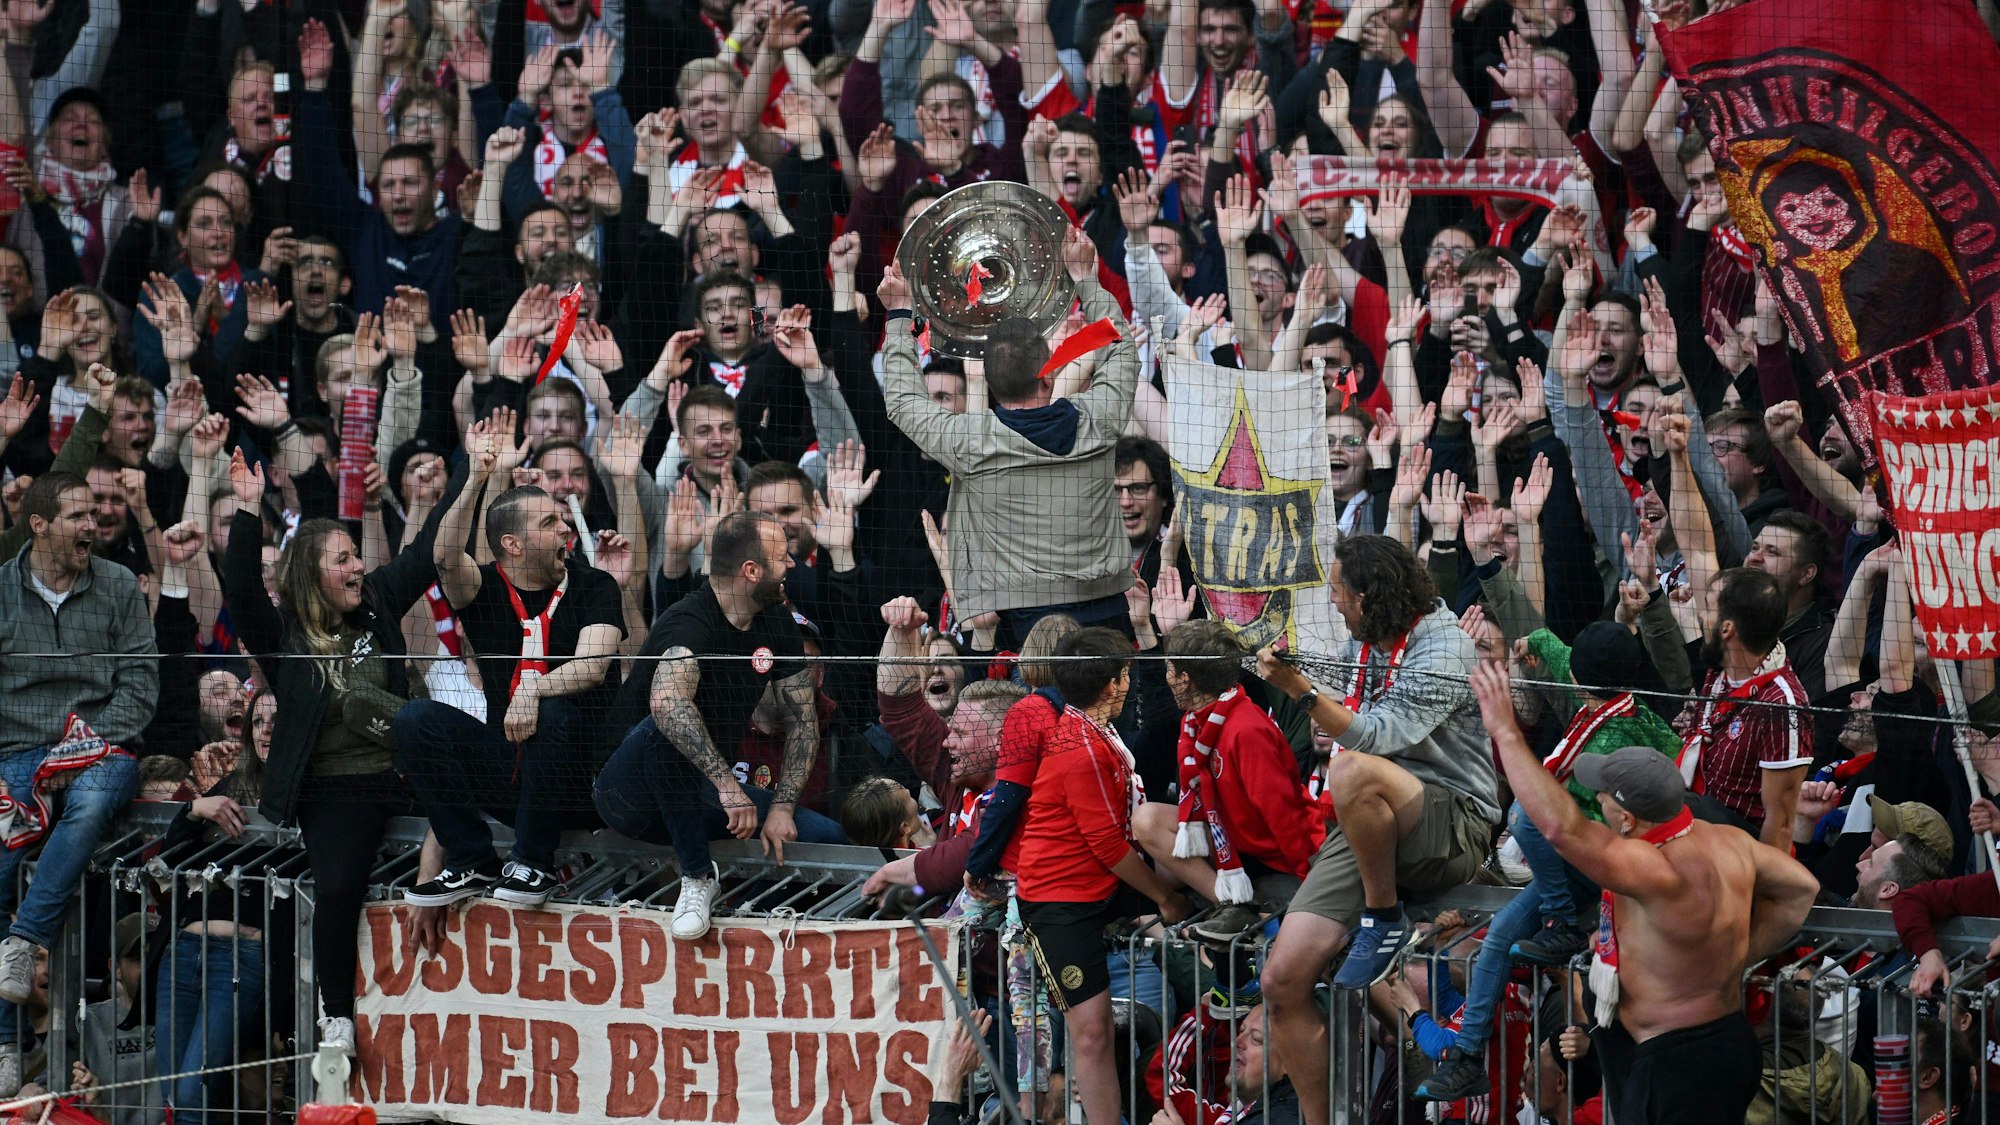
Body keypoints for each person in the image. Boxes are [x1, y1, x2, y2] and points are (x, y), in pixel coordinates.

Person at [1470, 662, 1819, 1125]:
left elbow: (1560, 828)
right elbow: (1802, 888)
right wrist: (1736, 956)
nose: (1597, 802)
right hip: (1721, 1046)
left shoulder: (1654, 867)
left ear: (1628, 817)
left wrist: (1505, 733)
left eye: (1604, 797)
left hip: (1680, 1066)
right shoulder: (1728, 841)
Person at [1252, 534, 1498, 1125]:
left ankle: (1383, 919)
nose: (1333, 602)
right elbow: (1339, 718)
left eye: (1338, 592)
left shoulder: (1443, 647)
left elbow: (1373, 737)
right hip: (1371, 821)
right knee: (1281, 979)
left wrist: (1302, 693)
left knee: (1354, 770)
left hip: (1453, 817)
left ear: (1367, 596)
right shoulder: (1364, 641)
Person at [220, 447, 452, 1054]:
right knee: (341, 884)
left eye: (355, 555)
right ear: (313, 576)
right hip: (337, 788)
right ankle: (337, 1016)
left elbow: (428, 549)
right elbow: (242, 590)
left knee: (472, 821)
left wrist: (478, 476)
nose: (356, 566)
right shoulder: (285, 639)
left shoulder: (376, 599)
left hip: (401, 773)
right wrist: (248, 510)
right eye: (342, 559)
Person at [396, 422, 624, 907]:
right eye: (549, 523)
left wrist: (532, 689)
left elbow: (593, 666)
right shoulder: (482, 588)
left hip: (584, 782)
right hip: (512, 772)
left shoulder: (593, 586)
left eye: (562, 520)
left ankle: (533, 864)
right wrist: (476, 476)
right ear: (513, 545)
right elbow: (441, 555)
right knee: (416, 719)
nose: (566, 529)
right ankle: (472, 861)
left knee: (556, 710)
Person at [877, 232, 1139, 646]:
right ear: (1048, 374)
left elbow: (904, 403)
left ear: (991, 388)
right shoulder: (1098, 419)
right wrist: (1087, 281)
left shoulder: (970, 438)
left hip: (1022, 627)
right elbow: (1121, 353)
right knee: (1106, 711)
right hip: (1107, 614)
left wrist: (898, 315)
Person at [594, 509, 840, 940]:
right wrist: (729, 789)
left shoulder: (776, 622)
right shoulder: (687, 624)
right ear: (751, 570)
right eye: (782, 557)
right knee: (663, 725)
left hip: (703, 792)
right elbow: (667, 706)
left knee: (827, 837)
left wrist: (781, 808)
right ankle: (696, 875)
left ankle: (764, 922)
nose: (791, 566)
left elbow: (804, 721)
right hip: (630, 795)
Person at [0, 465, 155, 1095]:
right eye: (76, 516)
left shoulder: (118, 585)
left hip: (102, 749)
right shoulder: (0, 590)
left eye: (94, 514)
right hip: (15, 753)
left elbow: (142, 689)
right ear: (39, 526)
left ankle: (23, 940)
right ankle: (7, 1045)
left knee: (90, 810)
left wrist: (80, 745)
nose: (92, 524)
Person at [1014, 627, 1186, 1125]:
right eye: (1129, 673)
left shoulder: (1095, 731)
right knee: (1091, 1032)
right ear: (1113, 684)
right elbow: (1108, 845)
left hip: (1102, 889)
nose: (1132, 683)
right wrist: (1163, 898)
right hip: (1059, 904)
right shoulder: (1079, 747)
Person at [1133, 620, 1322, 940]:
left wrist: (1312, 881)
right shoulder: (1195, 721)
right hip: (1232, 837)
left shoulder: (1245, 729)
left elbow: (1282, 813)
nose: (1166, 679)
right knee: (1147, 820)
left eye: (1168, 669)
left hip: (1273, 851)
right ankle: (1232, 904)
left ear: (1185, 679)